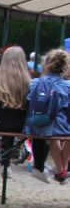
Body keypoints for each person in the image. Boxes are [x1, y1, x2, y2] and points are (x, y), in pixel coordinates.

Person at [24, 49, 70, 184]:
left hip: (36, 125)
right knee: (63, 134)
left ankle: (61, 172)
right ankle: (62, 171)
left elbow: (28, 101)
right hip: (60, 127)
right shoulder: (67, 86)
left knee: (52, 134)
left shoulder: (35, 82)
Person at [0, 46, 30, 174]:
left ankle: (1, 160)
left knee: (5, 120)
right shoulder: (26, 80)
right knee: (12, 121)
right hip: (17, 125)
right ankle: (6, 163)